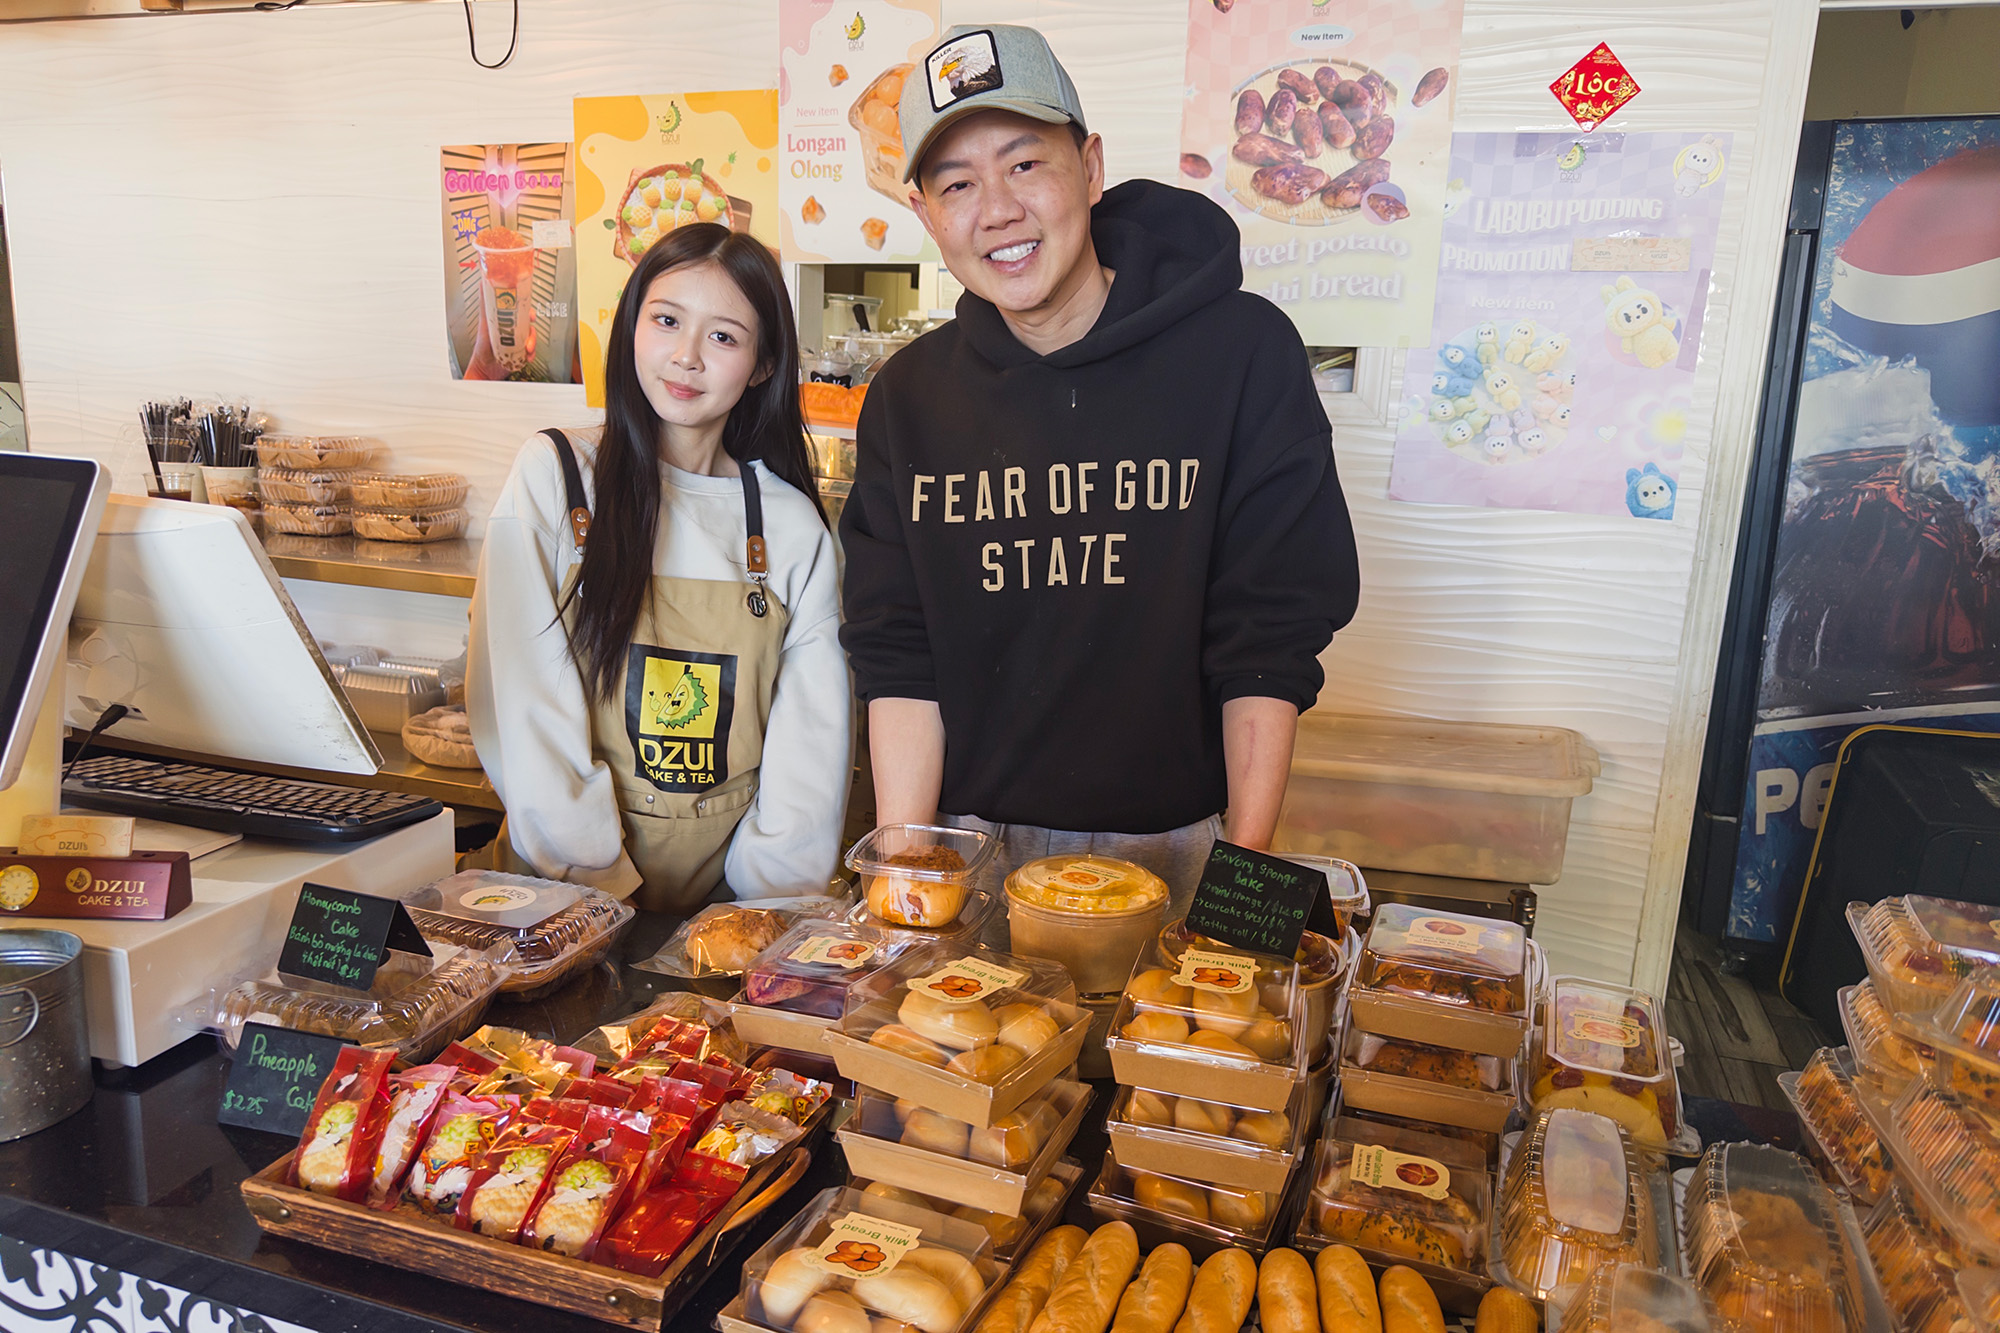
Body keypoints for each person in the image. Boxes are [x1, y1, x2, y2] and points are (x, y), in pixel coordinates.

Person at [839, 24, 1359, 910]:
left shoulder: (1240, 354)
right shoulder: (906, 399)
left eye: (1024, 164)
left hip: (1184, 846)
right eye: (957, 183)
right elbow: (900, 656)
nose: (996, 208)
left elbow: (1268, 638)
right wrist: (907, 875)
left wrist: (1245, 866)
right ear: (926, 214)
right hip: (966, 850)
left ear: (1090, 167)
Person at [468, 224, 850, 913]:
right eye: (667, 320)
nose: (686, 357)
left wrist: (750, 924)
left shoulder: (792, 529)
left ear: (764, 365)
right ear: (631, 324)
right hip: (555, 902)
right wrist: (596, 891)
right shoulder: (557, 477)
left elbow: (809, 761)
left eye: (724, 337)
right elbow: (523, 710)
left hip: (728, 915)